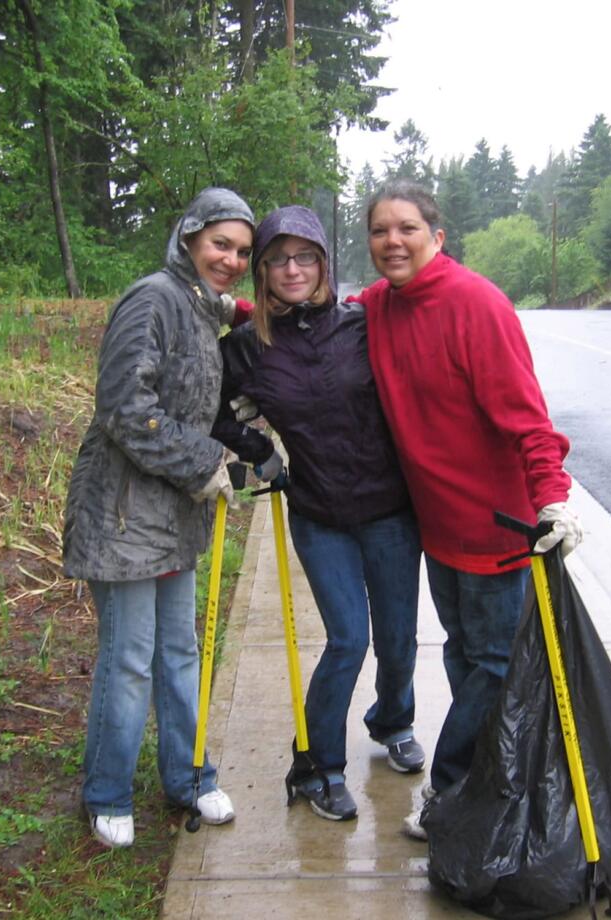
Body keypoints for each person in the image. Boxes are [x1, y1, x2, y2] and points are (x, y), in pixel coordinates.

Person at [350, 179, 583, 840]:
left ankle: (451, 787)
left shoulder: (476, 305)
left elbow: (528, 417)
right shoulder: (381, 305)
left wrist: (553, 500)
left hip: (497, 530)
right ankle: (489, 773)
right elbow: (311, 317)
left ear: (438, 236)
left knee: (494, 666)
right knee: (466, 657)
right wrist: (235, 313)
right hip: (440, 528)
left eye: (407, 229)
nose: (392, 241)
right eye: (379, 230)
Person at [214, 206, 424, 822]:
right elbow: (212, 408)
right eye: (278, 259)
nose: (292, 269)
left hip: (389, 508)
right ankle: (318, 766)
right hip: (319, 510)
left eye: (305, 256)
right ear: (262, 272)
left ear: (324, 263)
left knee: (397, 634)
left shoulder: (362, 325)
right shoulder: (249, 348)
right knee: (348, 638)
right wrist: (259, 450)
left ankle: (393, 721)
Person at [62, 188, 254, 849]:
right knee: (129, 661)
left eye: (241, 252)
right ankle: (107, 792)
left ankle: (190, 776)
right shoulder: (153, 298)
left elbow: (208, 351)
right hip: (121, 514)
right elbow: (123, 407)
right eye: (219, 244)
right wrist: (205, 461)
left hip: (175, 515)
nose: (230, 259)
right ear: (189, 237)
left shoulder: (201, 308)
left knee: (180, 652)